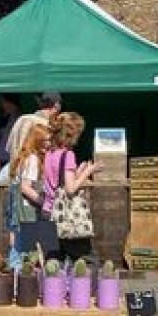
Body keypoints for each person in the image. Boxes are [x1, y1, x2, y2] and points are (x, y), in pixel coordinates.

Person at [43, 111, 97, 260]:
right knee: (86, 259)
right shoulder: (68, 155)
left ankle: (48, 284)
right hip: (66, 217)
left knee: (53, 262)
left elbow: (57, 181)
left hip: (49, 211)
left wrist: (78, 172)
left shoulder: (49, 153)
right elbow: (70, 189)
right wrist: (88, 172)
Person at [7, 122, 50, 249]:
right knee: (30, 248)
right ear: (36, 140)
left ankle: (16, 267)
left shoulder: (26, 156)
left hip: (19, 207)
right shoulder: (33, 159)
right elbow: (25, 187)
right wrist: (44, 202)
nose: (48, 144)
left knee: (18, 242)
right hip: (27, 208)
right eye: (45, 140)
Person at [2, 92, 61, 183]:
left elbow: (8, 148)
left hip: (14, 176)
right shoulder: (47, 127)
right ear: (56, 105)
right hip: (34, 181)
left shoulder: (21, 120)